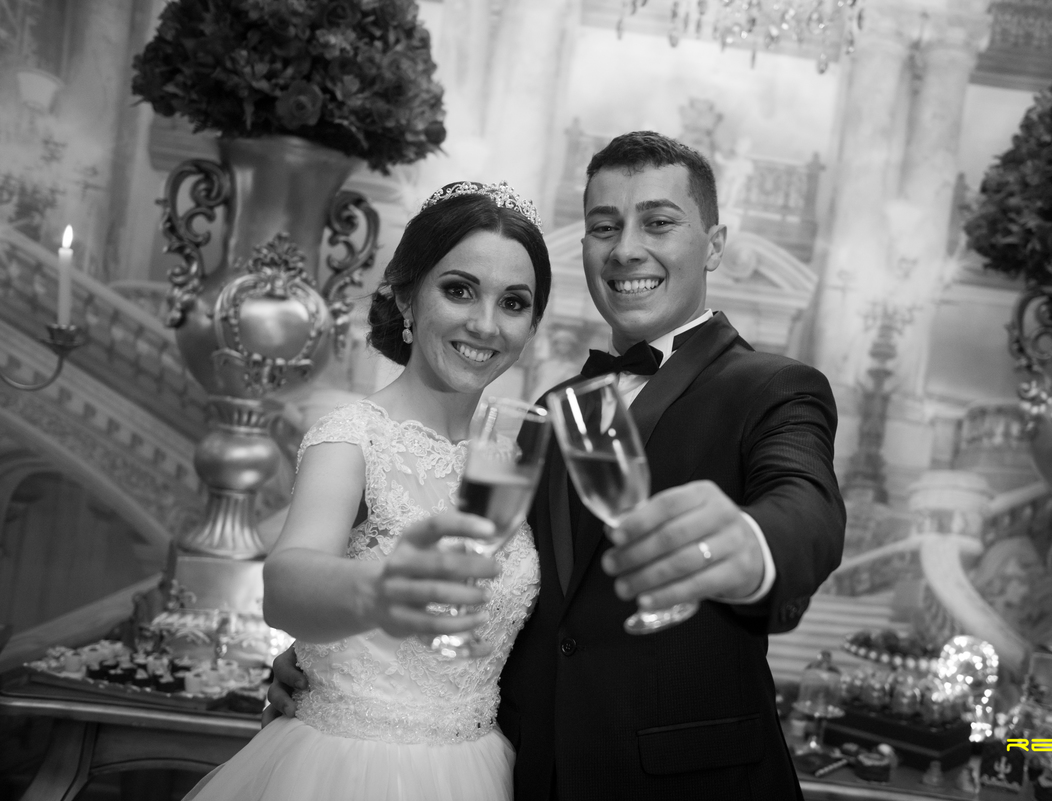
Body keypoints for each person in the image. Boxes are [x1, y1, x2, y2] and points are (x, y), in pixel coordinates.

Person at [271, 132, 845, 800]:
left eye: (659, 222)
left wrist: (749, 545)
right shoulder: (550, 411)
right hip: (528, 773)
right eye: (604, 226)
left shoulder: (774, 387)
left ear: (714, 244)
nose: (626, 248)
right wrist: (333, 655)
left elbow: (806, 506)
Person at [185, 181, 552, 801]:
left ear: (532, 323)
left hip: (482, 766)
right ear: (406, 297)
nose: (485, 323)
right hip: (348, 771)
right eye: (459, 290)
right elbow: (287, 584)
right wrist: (381, 592)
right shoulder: (352, 438)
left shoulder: (514, 462)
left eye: (513, 302)